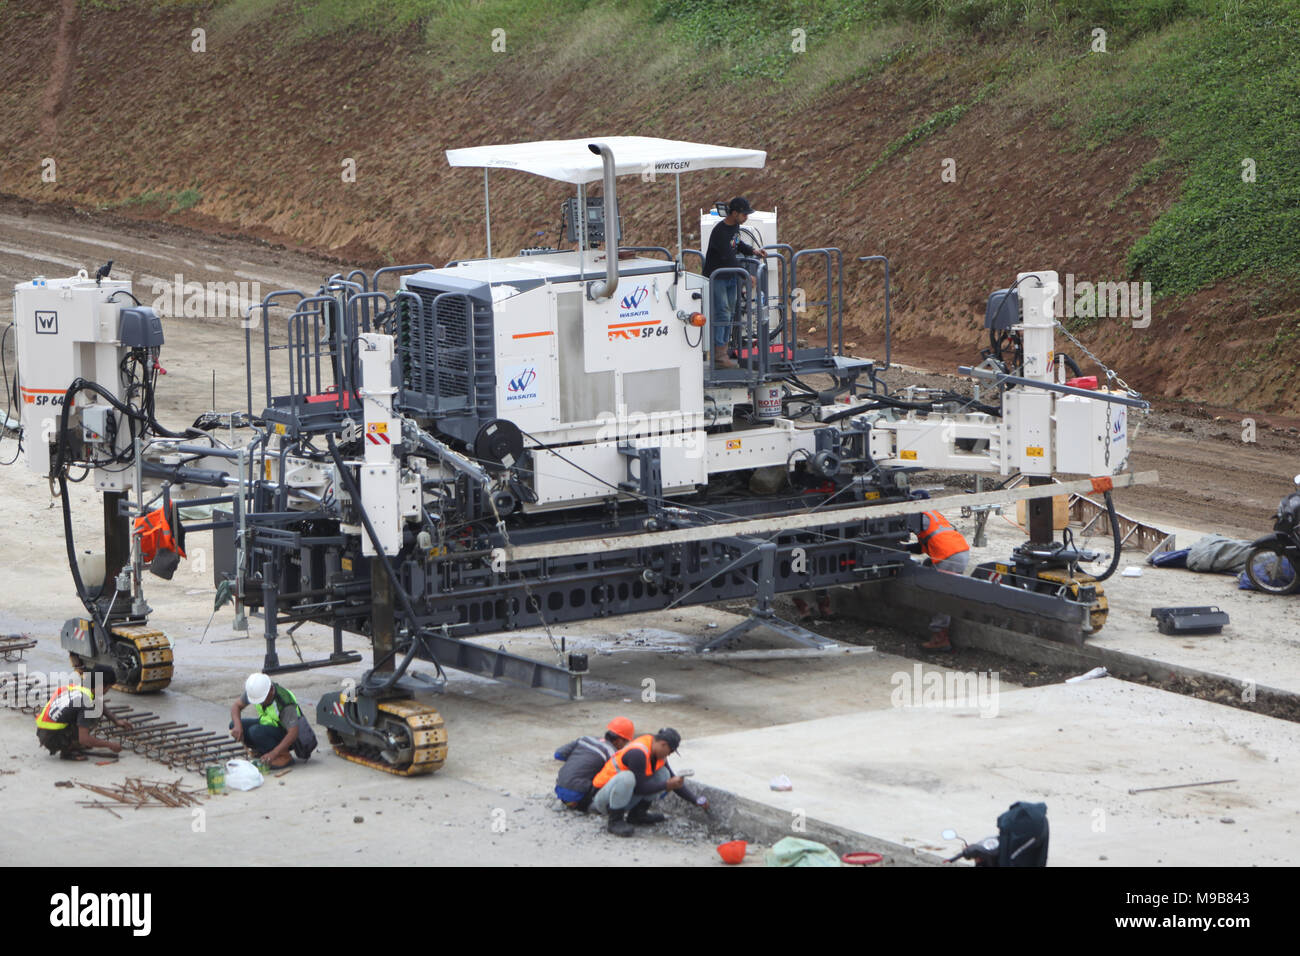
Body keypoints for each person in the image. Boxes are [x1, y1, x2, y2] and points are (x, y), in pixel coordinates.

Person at [591, 727, 708, 837]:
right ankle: (615, 821)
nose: (669, 755)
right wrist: (667, 785)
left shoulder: (657, 751)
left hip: (621, 796)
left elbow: (673, 780)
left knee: (664, 774)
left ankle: (637, 815)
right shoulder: (638, 753)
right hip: (604, 800)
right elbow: (639, 788)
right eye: (670, 751)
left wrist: (695, 800)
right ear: (663, 744)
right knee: (627, 777)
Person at [703, 197, 763, 370]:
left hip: (729, 276)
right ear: (734, 213)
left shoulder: (735, 227)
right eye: (744, 214)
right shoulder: (720, 231)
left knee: (728, 313)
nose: (746, 218)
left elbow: (737, 244)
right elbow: (727, 256)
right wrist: (745, 275)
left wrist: (753, 250)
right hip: (718, 277)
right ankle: (719, 356)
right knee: (722, 313)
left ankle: (722, 351)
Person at [35, 666, 130, 759]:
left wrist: (116, 720)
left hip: (44, 732)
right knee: (94, 714)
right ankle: (68, 750)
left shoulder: (80, 687)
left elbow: (98, 701)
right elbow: (84, 739)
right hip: (52, 739)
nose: (107, 691)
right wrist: (110, 745)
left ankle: (72, 742)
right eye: (108, 688)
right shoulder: (86, 703)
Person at [908, 509, 971, 650]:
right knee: (927, 567)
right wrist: (903, 548)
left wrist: (899, 547)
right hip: (959, 550)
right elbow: (921, 547)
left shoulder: (919, 515)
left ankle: (940, 638)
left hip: (948, 555)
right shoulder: (933, 514)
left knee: (941, 595)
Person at [552, 716, 634, 811]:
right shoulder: (612, 753)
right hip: (579, 798)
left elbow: (558, 754)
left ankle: (570, 801)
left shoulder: (585, 739)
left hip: (560, 788)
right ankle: (592, 806)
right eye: (626, 741)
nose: (625, 745)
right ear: (619, 740)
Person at [229, 672, 305, 769]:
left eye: (262, 700)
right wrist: (237, 725)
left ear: (271, 691)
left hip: (287, 735)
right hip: (268, 725)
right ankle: (262, 751)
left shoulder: (284, 701)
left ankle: (284, 756)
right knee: (234, 725)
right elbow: (236, 706)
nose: (260, 704)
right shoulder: (256, 690)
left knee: (255, 731)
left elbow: (293, 733)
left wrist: (274, 753)